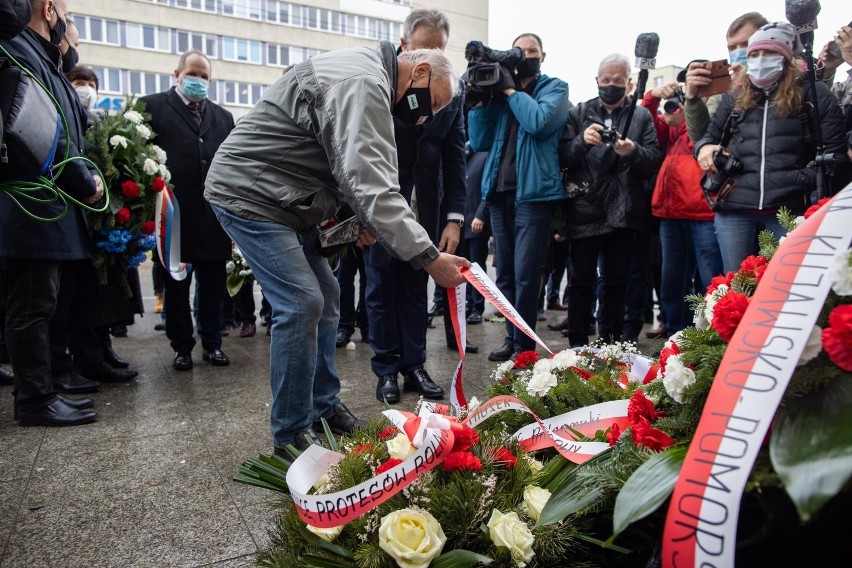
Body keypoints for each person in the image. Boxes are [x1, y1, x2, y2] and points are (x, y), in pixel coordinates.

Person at [204, 43, 469, 457]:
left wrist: (355, 221)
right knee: (302, 301)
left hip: (285, 199)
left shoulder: (371, 80)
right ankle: (291, 435)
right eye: (433, 101)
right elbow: (371, 181)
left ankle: (323, 408)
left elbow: (341, 166)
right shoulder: (362, 81)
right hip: (250, 193)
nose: (427, 116)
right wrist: (429, 258)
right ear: (419, 72)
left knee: (327, 298)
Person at [0, 0, 104, 425]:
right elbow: (47, 131)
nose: (69, 22)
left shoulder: (42, 57)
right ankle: (34, 399)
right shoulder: (20, 51)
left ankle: (42, 390)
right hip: (33, 206)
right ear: (49, 9)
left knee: (41, 302)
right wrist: (85, 180)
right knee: (31, 304)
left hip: (46, 205)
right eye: (68, 13)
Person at [366, 9, 470, 405]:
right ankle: (386, 368)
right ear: (405, 44)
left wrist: (454, 218)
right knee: (380, 287)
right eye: (425, 47)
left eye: (439, 49)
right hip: (382, 203)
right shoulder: (380, 80)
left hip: (425, 206)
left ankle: (415, 365)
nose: (432, 57)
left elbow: (454, 156)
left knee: (416, 286)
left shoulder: (450, 90)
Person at [694, 22, 847, 272]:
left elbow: (835, 156)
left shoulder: (813, 94)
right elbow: (707, 138)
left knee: (786, 287)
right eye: (754, 54)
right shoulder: (735, 95)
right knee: (735, 290)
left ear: (786, 57)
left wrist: (800, 179)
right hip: (735, 209)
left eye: (769, 53)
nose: (760, 59)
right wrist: (705, 149)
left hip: (788, 210)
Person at [467, 32, 569, 362]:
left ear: (544, 55)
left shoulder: (554, 88)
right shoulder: (500, 95)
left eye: (532, 51)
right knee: (506, 275)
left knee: (527, 275)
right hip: (499, 194)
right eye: (519, 50)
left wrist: (511, 90)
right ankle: (512, 339)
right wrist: (481, 101)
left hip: (533, 196)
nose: (525, 55)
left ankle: (525, 347)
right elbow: (480, 140)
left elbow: (538, 122)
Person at [558, 53, 662, 348]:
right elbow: (563, 156)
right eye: (606, 81)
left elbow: (654, 158)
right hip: (583, 208)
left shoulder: (640, 116)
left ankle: (611, 342)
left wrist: (632, 150)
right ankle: (577, 343)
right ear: (596, 81)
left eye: (618, 81)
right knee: (580, 281)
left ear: (629, 83)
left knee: (617, 281)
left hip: (624, 210)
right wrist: (581, 142)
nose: (611, 86)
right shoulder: (579, 112)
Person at [142, 49, 235, 371]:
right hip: (174, 218)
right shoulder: (151, 107)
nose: (198, 81)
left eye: (204, 76)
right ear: (177, 74)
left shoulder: (223, 118)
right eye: (193, 74)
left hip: (212, 218)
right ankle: (181, 346)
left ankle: (212, 343)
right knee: (176, 287)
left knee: (212, 288)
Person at [643, 78, 722, 337]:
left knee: (710, 278)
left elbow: (706, 135)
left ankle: (709, 334)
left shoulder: (716, 104)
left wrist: (687, 117)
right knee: (672, 279)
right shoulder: (674, 120)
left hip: (703, 210)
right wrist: (654, 96)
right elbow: (650, 126)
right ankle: (674, 333)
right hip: (670, 211)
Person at [684, 12, 768, 143]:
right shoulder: (725, 92)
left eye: (746, 44)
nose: (738, 52)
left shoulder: (788, 81)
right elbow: (703, 138)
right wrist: (692, 99)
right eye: (732, 48)